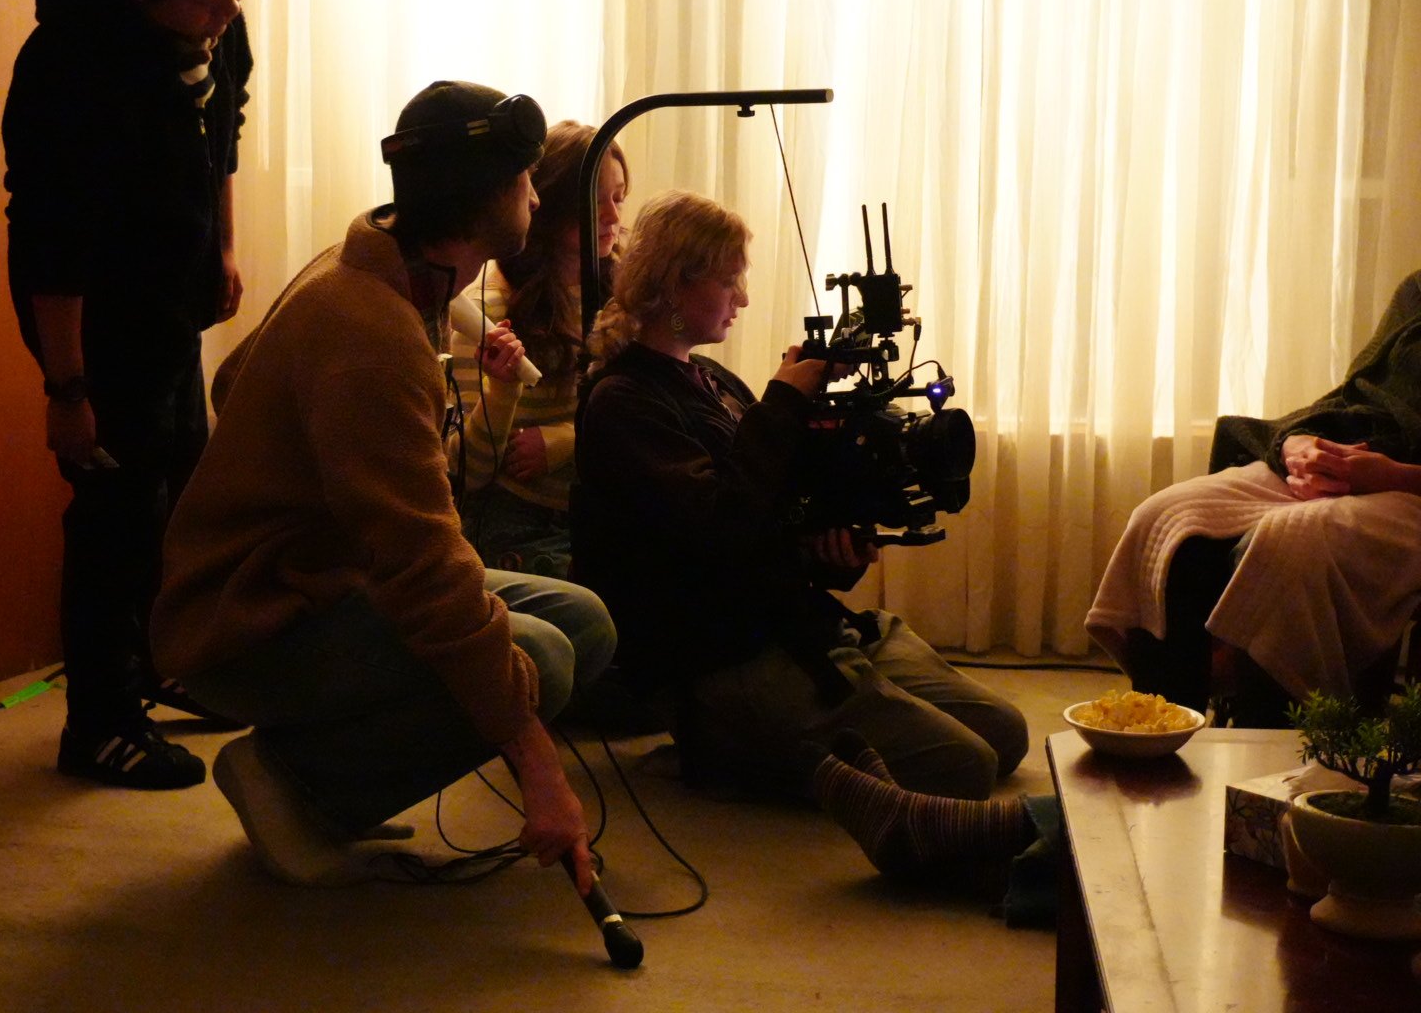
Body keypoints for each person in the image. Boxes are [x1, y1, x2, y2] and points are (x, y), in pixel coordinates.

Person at [150, 82, 617, 891]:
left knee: (585, 620)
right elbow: (423, 569)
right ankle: (299, 786)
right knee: (537, 655)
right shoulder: (369, 327)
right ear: (480, 200)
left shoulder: (382, 269)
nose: (537, 197)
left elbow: (233, 382)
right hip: (247, 628)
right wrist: (539, 767)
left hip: (319, 586)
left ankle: (324, 767)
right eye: (522, 180)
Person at [573, 190, 1029, 803]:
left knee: (1007, 734)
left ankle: (815, 712)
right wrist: (783, 402)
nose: (743, 298)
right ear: (676, 285)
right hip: (717, 654)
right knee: (961, 768)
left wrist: (826, 552)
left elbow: (772, 509)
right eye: (730, 280)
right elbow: (718, 528)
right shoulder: (623, 402)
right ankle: (720, 742)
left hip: (791, 622)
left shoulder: (714, 381)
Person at [3, 0, 259, 789]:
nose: (227, 11)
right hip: (92, 311)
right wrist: (67, 389)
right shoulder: (69, 69)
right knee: (115, 505)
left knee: (180, 474)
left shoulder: (218, 25)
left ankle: (154, 666)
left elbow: (223, 133)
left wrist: (222, 247)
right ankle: (98, 724)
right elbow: (54, 243)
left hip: (169, 292)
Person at [1086, 270, 1421, 724]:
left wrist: (1394, 474)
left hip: (1407, 481)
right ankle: (1160, 739)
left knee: (1284, 547)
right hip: (1362, 451)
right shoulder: (1417, 287)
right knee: (1167, 520)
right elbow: (1359, 397)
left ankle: (1265, 766)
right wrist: (1297, 447)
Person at [445, 122, 628, 579]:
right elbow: (470, 474)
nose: (612, 217)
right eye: (595, 200)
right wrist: (502, 390)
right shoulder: (489, 307)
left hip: (603, 503)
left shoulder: (624, 289)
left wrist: (568, 439)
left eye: (619, 198)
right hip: (521, 522)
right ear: (550, 203)